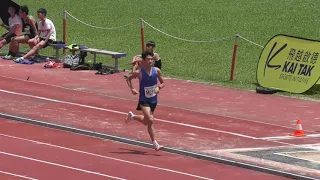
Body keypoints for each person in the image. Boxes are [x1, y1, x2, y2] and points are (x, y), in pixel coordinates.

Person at [125, 50, 165, 151]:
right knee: (151, 119)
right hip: (143, 100)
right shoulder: (139, 72)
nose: (150, 61)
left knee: (147, 122)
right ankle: (155, 144)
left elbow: (163, 83)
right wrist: (132, 89)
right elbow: (128, 78)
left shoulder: (157, 71)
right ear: (144, 60)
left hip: (153, 100)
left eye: (152, 59)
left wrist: (158, 88)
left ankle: (132, 117)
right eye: (148, 59)